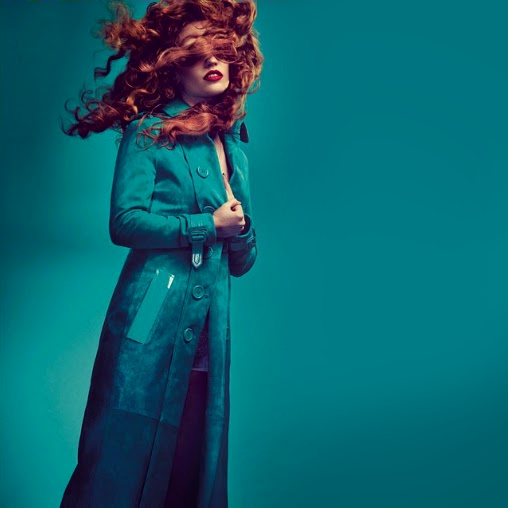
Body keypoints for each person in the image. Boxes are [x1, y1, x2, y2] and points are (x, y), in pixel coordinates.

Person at [59, 1, 262, 506]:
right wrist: (206, 225)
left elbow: (242, 260)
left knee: (191, 465)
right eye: (195, 51)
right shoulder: (149, 131)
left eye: (220, 49)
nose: (211, 59)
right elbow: (124, 222)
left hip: (209, 329)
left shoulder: (232, 144)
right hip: (151, 316)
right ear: (172, 65)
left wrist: (236, 228)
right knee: (119, 457)